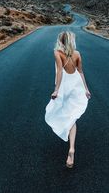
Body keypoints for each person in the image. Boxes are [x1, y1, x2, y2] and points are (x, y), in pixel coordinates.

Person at [45, 30, 91, 168]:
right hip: (76, 85)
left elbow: (60, 71)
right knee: (73, 116)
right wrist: (86, 89)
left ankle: (70, 147)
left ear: (61, 40)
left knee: (63, 112)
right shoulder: (77, 54)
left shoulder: (57, 53)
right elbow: (80, 71)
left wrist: (56, 90)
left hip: (65, 86)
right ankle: (72, 148)